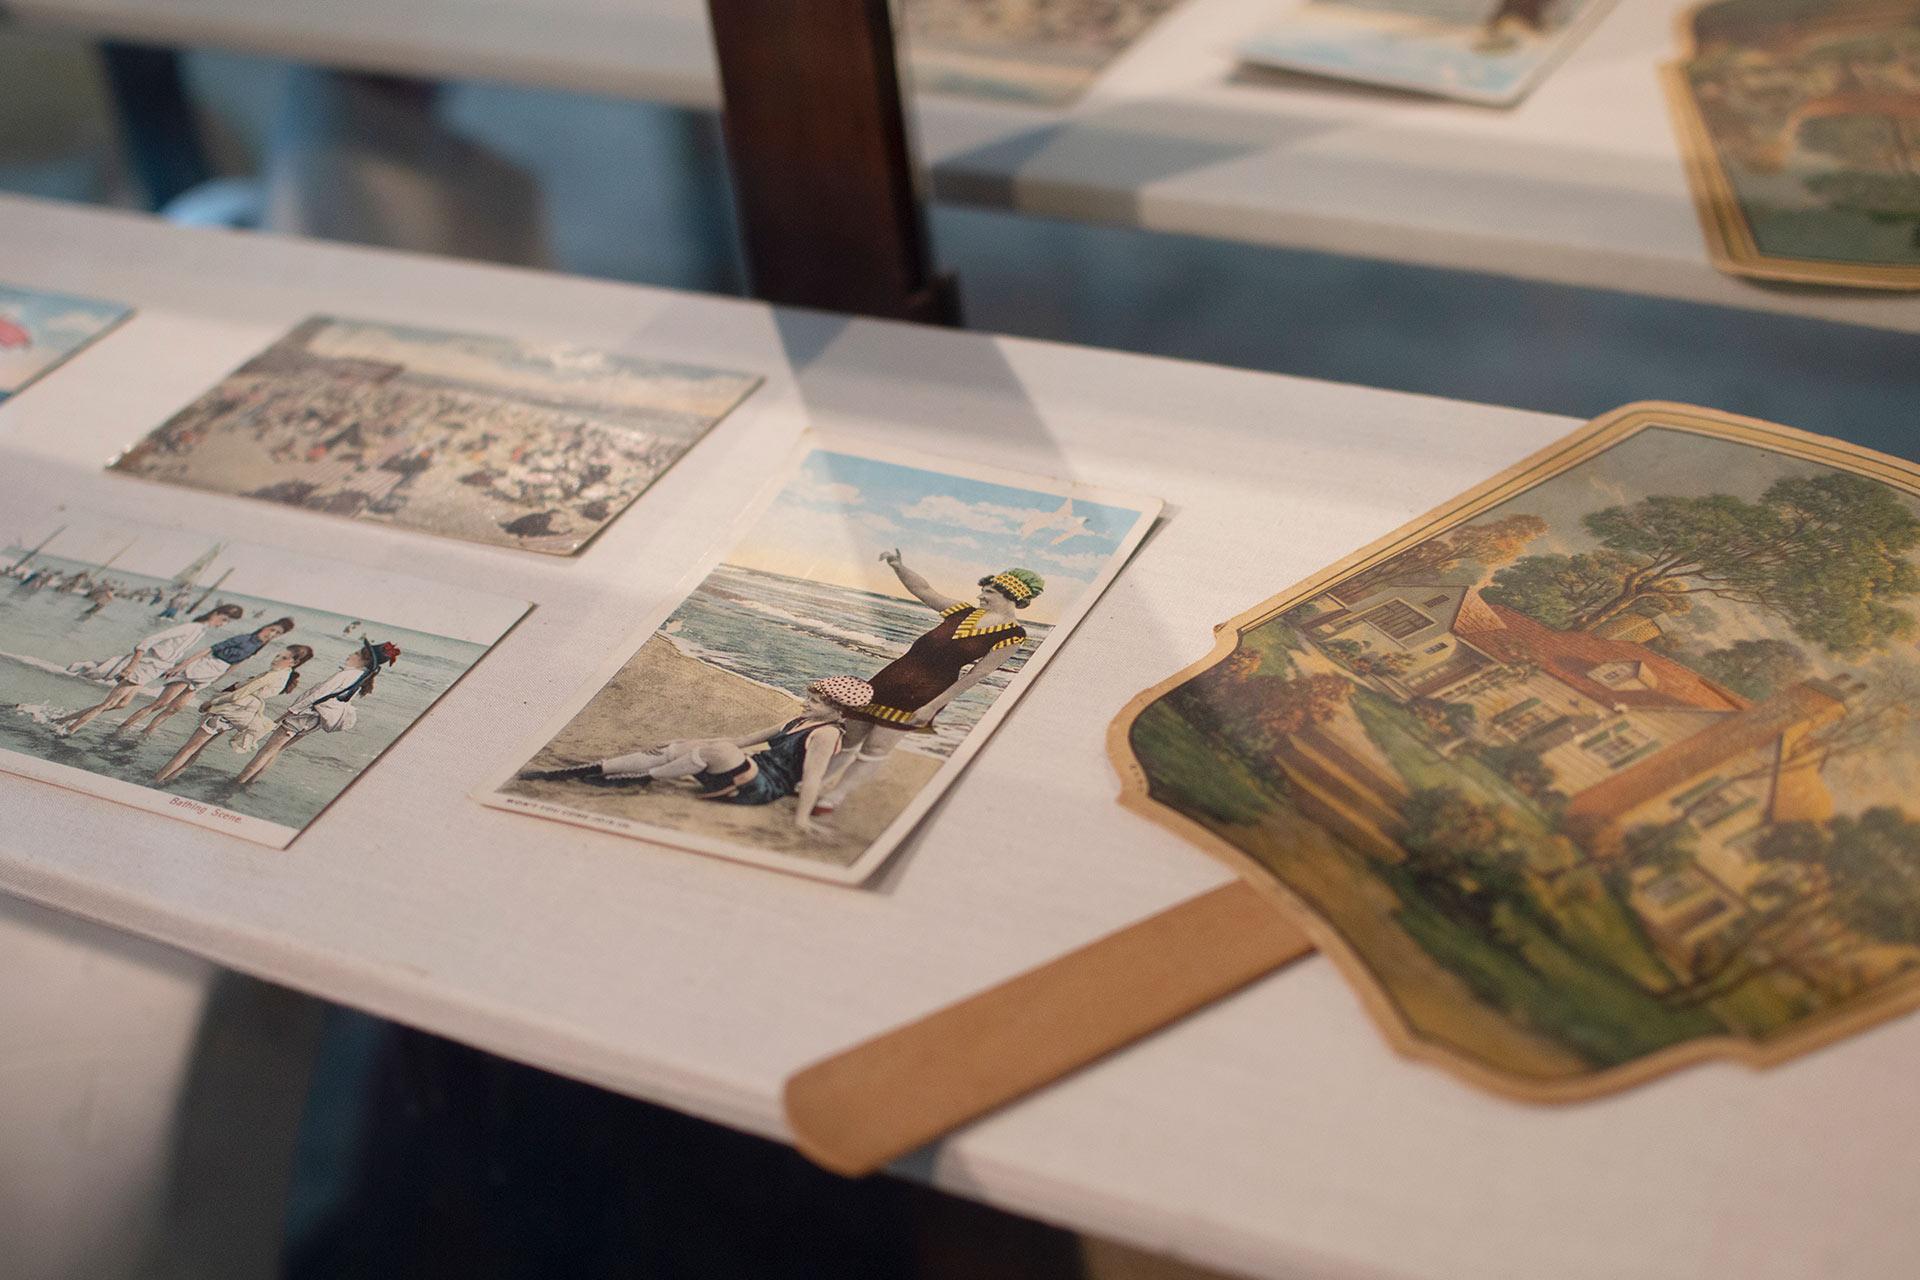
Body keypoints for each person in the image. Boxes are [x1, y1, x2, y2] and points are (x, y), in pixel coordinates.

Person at [814, 554, 1042, 816]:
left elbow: (978, 674)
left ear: (1009, 593)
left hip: (923, 694)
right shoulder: (962, 612)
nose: (980, 597)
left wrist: (933, 707)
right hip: (888, 680)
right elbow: (923, 590)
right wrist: (898, 567)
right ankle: (809, 783)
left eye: (988, 592)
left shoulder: (1013, 635)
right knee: (849, 736)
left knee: (876, 747)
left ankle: (833, 797)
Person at [519, 676, 875, 837]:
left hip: (760, 787)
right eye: (810, 698)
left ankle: (640, 779)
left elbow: (810, 779)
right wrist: (687, 743)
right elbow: (742, 739)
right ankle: (585, 771)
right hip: (747, 770)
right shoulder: (799, 720)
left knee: (718, 750)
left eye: (815, 701)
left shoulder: (826, 734)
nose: (806, 703)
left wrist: (800, 821)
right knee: (689, 745)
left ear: (837, 710)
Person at [54, 604, 247, 735]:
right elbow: (147, 641)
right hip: (145, 665)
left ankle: (62, 720)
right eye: (223, 619)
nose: (223, 624)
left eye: (227, 622)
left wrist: (170, 667)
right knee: (107, 704)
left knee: (121, 704)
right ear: (215, 614)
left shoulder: (199, 630)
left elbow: (172, 652)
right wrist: (132, 665)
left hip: (155, 668)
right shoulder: (191, 627)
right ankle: (69, 730)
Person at [235, 639, 401, 785]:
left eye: (356, 653)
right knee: (277, 750)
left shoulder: (345, 674)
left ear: (365, 659)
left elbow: (318, 694)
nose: (351, 654)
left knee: (268, 749)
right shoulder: (361, 678)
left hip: (302, 715)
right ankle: (252, 781)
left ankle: (239, 781)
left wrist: (292, 711)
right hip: (314, 721)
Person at [154, 644, 314, 783]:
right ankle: (172, 776)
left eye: (282, 657)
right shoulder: (284, 675)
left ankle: (158, 779)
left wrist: (212, 702)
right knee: (199, 747)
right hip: (243, 712)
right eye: (278, 654)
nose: (275, 658)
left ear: (294, 662)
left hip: (231, 708)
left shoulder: (273, 675)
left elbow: (239, 693)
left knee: (189, 747)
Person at [117, 617, 297, 737]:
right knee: (160, 703)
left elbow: (236, 664)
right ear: (266, 626)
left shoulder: (258, 646)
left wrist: (219, 680)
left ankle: (146, 732)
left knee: (175, 708)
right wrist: (182, 665)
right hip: (199, 667)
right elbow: (210, 649)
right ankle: (123, 727)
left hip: (211, 675)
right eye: (272, 630)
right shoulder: (244, 638)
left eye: (277, 634)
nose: (272, 635)